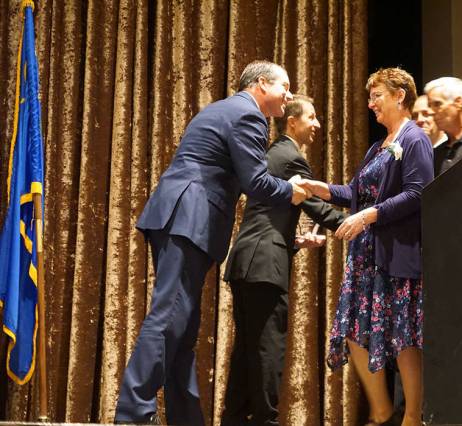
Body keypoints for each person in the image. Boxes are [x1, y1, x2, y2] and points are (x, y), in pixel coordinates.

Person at [114, 60, 309, 425]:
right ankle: (132, 415)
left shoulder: (229, 109)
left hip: (181, 216)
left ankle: (187, 418)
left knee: (183, 326)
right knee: (169, 315)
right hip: (189, 216)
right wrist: (292, 191)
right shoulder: (249, 116)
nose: (290, 95)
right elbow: (256, 182)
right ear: (262, 84)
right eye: (285, 86)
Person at [300, 68, 433, 426]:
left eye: (377, 95)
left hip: (397, 251)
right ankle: (381, 410)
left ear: (399, 96)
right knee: (354, 330)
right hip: (367, 257)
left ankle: (412, 418)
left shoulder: (415, 138)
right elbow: (356, 193)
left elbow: (418, 193)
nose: (370, 103)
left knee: (403, 336)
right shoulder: (380, 145)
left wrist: (369, 216)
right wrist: (320, 188)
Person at [221, 95, 346, 425]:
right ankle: (266, 421)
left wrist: (295, 240)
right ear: (292, 122)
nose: (317, 124)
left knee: (247, 349)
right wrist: (355, 223)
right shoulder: (291, 157)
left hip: (248, 258)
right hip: (264, 263)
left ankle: (233, 419)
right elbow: (316, 206)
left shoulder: (272, 153)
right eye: (312, 117)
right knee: (268, 348)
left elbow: (267, 214)